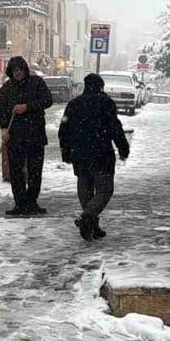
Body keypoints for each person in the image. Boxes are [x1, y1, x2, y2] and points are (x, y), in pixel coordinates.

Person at [58, 73, 130, 240]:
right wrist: (123, 147)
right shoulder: (106, 103)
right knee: (105, 189)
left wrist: (66, 152)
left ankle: (92, 225)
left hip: (80, 154)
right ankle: (87, 218)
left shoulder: (74, 104)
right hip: (101, 153)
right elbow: (115, 127)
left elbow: (64, 130)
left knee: (86, 189)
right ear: (101, 87)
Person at [0, 56, 53, 216]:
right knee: (16, 172)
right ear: (10, 72)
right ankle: (20, 203)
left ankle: (32, 202)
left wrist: (27, 107)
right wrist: (3, 129)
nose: (18, 74)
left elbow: (47, 101)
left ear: (24, 70)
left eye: (20, 70)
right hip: (15, 136)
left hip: (35, 134)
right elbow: (2, 111)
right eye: (14, 71)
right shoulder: (6, 89)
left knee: (35, 171)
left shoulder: (37, 83)